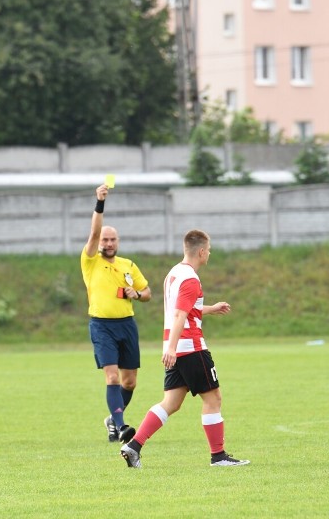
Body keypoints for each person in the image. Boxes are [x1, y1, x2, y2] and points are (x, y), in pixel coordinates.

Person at [120, 229, 249, 469]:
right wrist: (170, 349)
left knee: (171, 402)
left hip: (178, 348)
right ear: (201, 252)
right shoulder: (191, 278)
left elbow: (185, 308)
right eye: (208, 250)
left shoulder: (174, 273)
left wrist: (210, 308)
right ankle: (218, 456)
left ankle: (133, 446)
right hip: (191, 348)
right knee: (213, 399)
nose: (208, 254)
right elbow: (180, 313)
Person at [81, 183, 151, 443]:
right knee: (111, 376)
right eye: (105, 239)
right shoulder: (90, 261)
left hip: (127, 325)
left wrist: (138, 295)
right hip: (102, 326)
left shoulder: (128, 265)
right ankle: (121, 427)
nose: (108, 243)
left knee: (129, 382)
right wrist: (100, 202)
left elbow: (147, 293)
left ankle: (112, 419)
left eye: (112, 240)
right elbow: (94, 230)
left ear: (118, 242)